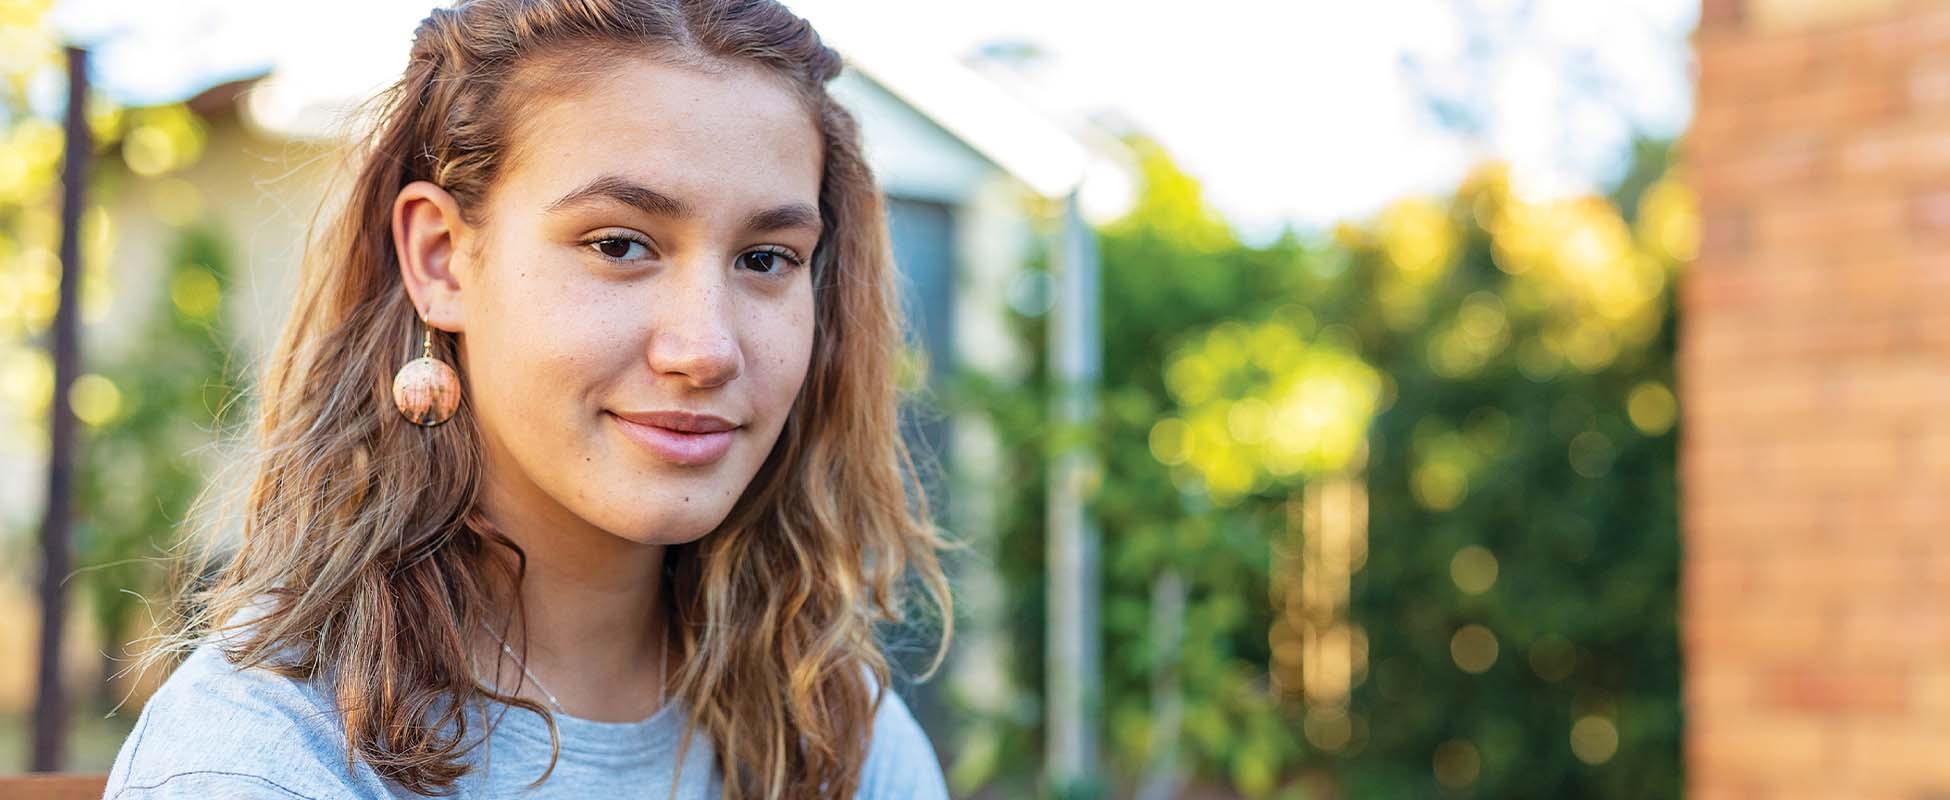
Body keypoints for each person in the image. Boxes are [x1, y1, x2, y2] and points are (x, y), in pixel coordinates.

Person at [101, 1, 954, 797]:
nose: (706, 349)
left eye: (766, 259)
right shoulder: (267, 759)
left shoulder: (838, 729)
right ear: (440, 259)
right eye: (619, 244)